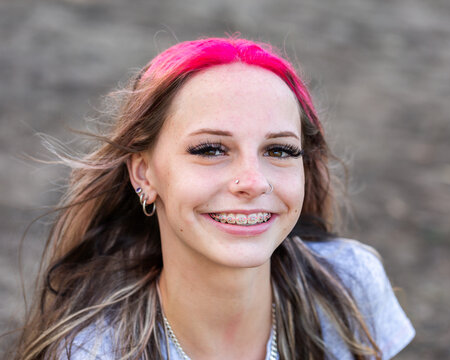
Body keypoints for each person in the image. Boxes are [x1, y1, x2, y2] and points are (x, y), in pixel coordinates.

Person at [15, 37, 414, 360]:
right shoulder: (93, 351)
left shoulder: (348, 285)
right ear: (144, 173)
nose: (253, 182)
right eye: (210, 149)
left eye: (279, 151)